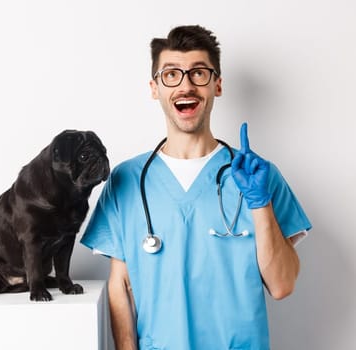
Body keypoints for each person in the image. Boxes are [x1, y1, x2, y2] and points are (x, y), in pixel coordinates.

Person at [79, 25, 311, 349]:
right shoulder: (127, 180)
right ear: (154, 87)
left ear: (217, 85)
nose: (185, 85)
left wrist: (260, 203)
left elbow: (282, 285)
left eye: (199, 73)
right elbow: (121, 286)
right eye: (171, 74)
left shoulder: (258, 175)